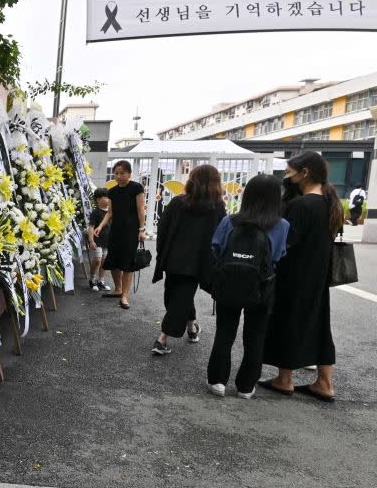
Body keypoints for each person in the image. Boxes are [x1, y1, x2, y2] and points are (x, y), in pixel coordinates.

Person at [259, 151, 343, 403]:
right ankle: (325, 383)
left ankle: (284, 379)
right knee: (319, 325)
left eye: (289, 173)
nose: (287, 178)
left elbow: (287, 242)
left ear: (304, 173)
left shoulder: (300, 205)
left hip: (293, 274)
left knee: (287, 321)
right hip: (319, 276)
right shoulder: (331, 203)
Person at [206, 174, 289, 398]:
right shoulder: (281, 225)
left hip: (229, 283)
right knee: (255, 336)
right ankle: (246, 386)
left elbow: (216, 248)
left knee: (225, 332)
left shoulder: (229, 221)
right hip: (262, 287)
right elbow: (279, 255)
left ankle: (217, 381)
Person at [150, 165, 226, 356]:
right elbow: (221, 235)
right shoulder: (216, 206)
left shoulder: (177, 203)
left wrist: (162, 254)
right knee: (182, 296)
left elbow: (163, 230)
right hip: (199, 261)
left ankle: (162, 338)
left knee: (176, 297)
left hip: (174, 259)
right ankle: (191, 328)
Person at [95, 160, 147, 309]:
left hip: (131, 231)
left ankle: (124, 296)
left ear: (129, 173)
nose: (118, 176)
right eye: (116, 173)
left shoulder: (136, 188)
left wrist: (141, 230)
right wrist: (100, 226)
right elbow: (110, 213)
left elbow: (140, 210)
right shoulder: (112, 191)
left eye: (122, 173)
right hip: (116, 230)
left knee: (127, 264)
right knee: (113, 261)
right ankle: (118, 289)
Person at [87, 188, 112, 291]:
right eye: (106, 197)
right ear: (98, 200)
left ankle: (101, 281)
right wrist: (91, 240)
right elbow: (91, 227)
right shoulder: (96, 212)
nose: (108, 199)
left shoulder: (111, 211)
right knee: (97, 260)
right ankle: (92, 280)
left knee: (104, 261)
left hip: (108, 241)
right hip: (97, 240)